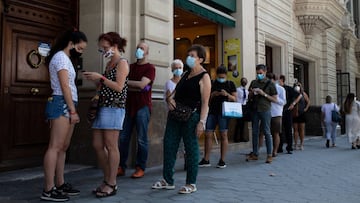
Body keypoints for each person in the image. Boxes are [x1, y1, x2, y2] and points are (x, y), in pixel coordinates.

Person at [151, 44, 211, 194]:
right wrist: (169, 99)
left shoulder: (204, 77)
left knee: (191, 149)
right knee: (169, 144)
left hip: (192, 116)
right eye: (188, 55)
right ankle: (167, 180)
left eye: (192, 56)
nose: (189, 58)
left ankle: (191, 183)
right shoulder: (185, 74)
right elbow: (174, 94)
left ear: (201, 59)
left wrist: (201, 122)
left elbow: (205, 103)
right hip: (175, 114)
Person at [41, 29, 87, 202]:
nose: (80, 52)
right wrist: (72, 111)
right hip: (61, 103)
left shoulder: (65, 58)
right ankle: (48, 189)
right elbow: (64, 86)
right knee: (55, 146)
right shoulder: (60, 57)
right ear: (71, 43)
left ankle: (59, 184)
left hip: (67, 103)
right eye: (80, 48)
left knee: (63, 146)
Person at [83, 32, 129, 198]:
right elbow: (106, 85)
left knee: (111, 145)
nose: (103, 51)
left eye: (105, 47)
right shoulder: (110, 63)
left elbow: (118, 86)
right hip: (102, 106)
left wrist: (100, 78)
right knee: (97, 144)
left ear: (115, 46)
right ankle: (107, 178)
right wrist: (95, 80)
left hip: (114, 108)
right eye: (101, 48)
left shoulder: (122, 63)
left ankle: (111, 182)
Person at [118, 41, 155, 178]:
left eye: (142, 48)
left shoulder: (150, 68)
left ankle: (140, 167)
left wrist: (125, 82)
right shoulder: (129, 66)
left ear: (147, 52)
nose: (139, 50)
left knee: (142, 139)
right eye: (138, 47)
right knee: (123, 138)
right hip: (128, 106)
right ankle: (121, 166)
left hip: (142, 107)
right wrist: (135, 85)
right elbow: (126, 86)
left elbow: (142, 85)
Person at [198, 65, 237, 168]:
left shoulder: (230, 84)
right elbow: (206, 98)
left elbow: (235, 99)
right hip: (212, 111)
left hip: (224, 113)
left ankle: (222, 160)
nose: (221, 78)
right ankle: (206, 159)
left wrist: (227, 95)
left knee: (224, 134)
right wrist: (213, 94)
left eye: (222, 76)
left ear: (226, 75)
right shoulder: (212, 83)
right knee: (208, 134)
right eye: (219, 76)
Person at [246, 64, 278, 164]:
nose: (259, 75)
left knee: (267, 132)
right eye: (257, 73)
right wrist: (252, 92)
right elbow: (249, 95)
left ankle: (269, 155)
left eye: (261, 73)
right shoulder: (253, 82)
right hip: (255, 109)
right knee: (254, 132)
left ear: (265, 72)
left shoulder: (270, 84)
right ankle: (255, 153)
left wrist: (263, 93)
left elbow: (275, 99)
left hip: (265, 110)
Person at [164, 59, 186, 170]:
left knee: (186, 141)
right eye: (176, 68)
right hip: (174, 115)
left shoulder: (186, 82)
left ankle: (188, 162)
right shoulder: (169, 83)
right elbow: (169, 100)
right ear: (172, 70)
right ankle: (170, 165)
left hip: (186, 115)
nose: (178, 70)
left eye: (180, 68)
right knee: (173, 141)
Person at [278, 75, 302, 154]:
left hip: (287, 111)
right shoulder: (276, 89)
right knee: (280, 130)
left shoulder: (288, 89)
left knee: (288, 129)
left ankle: (289, 147)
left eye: (278, 80)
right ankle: (279, 147)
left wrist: (293, 104)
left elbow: (299, 95)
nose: (277, 82)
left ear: (282, 80)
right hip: (279, 111)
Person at [268, 73, 286, 157]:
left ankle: (275, 151)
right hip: (267, 113)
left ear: (274, 80)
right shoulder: (266, 88)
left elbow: (283, 102)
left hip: (276, 113)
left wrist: (275, 98)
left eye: (271, 80)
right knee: (266, 133)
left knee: (276, 133)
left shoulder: (281, 89)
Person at [292, 82, 310, 150]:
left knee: (301, 129)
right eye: (296, 85)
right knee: (295, 129)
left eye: (298, 85)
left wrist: (306, 108)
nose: (297, 87)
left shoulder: (303, 94)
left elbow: (308, 101)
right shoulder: (293, 94)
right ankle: (296, 144)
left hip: (301, 113)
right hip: (294, 113)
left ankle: (301, 144)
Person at [234, 77, 249, 142]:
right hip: (239, 106)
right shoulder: (238, 89)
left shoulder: (246, 91)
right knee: (238, 123)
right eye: (243, 81)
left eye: (245, 81)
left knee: (243, 123)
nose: (244, 83)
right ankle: (236, 137)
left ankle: (242, 137)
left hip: (244, 106)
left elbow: (246, 99)